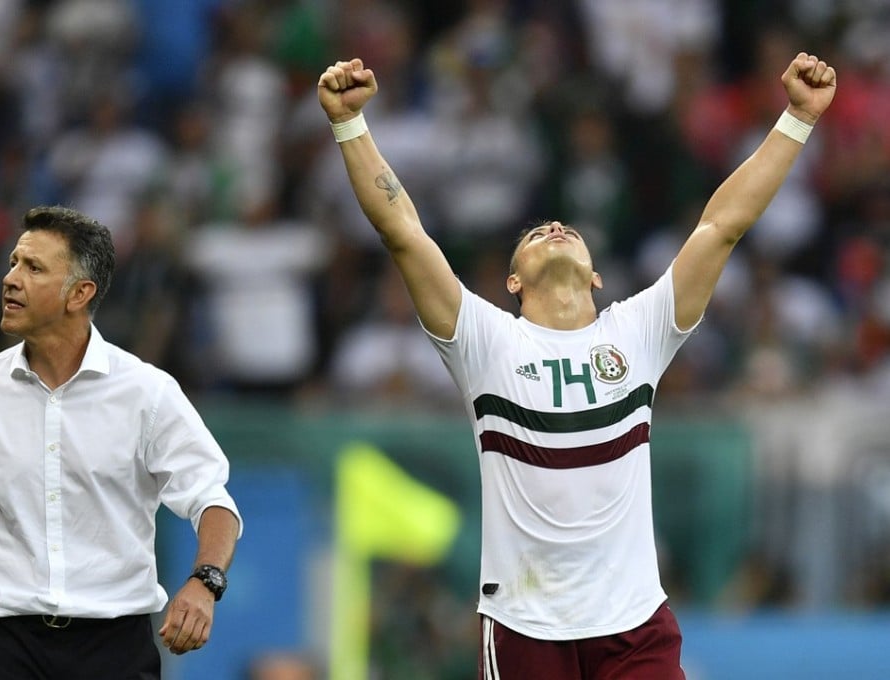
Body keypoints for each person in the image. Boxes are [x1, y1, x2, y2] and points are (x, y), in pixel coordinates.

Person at [317, 53, 836, 679]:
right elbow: (402, 231)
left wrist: (798, 118)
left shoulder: (640, 331)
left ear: (596, 274)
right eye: (534, 233)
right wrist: (351, 126)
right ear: (511, 281)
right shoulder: (485, 342)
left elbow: (722, 224)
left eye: (563, 227)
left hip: (636, 627)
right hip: (525, 629)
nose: (554, 226)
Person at [0, 206, 242, 679]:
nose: (11, 278)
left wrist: (204, 583)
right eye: (12, 262)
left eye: (34, 268)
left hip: (113, 649)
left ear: (79, 294)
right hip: (0, 645)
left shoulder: (148, 393)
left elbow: (213, 502)